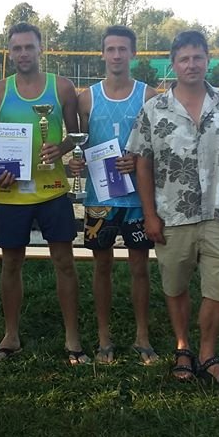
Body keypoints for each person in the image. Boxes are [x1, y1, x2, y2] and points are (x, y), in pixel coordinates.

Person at [129, 31, 219, 389]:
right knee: (175, 285)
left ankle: (208, 352)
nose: (191, 65)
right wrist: (150, 214)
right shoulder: (154, 109)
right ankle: (183, 347)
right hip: (172, 216)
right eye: (184, 59)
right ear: (173, 64)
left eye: (198, 57)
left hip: (216, 214)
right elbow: (143, 163)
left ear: (207, 60)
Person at [0, 22, 88, 365]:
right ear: (9, 52)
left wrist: (61, 149)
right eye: (17, 48)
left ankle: (72, 338)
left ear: (41, 49)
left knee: (65, 263)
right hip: (13, 194)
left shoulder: (62, 87)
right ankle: (11, 335)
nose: (23, 53)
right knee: (11, 264)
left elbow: (75, 136)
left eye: (29, 47)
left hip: (53, 190)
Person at [71, 25, 157, 364]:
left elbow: (159, 146)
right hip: (100, 198)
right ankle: (104, 338)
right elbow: (81, 144)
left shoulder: (149, 96)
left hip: (138, 199)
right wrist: (76, 162)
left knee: (140, 267)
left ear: (133, 53)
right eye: (111, 49)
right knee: (101, 266)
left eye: (123, 49)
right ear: (103, 54)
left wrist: (139, 160)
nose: (117, 55)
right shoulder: (86, 98)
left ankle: (142, 336)